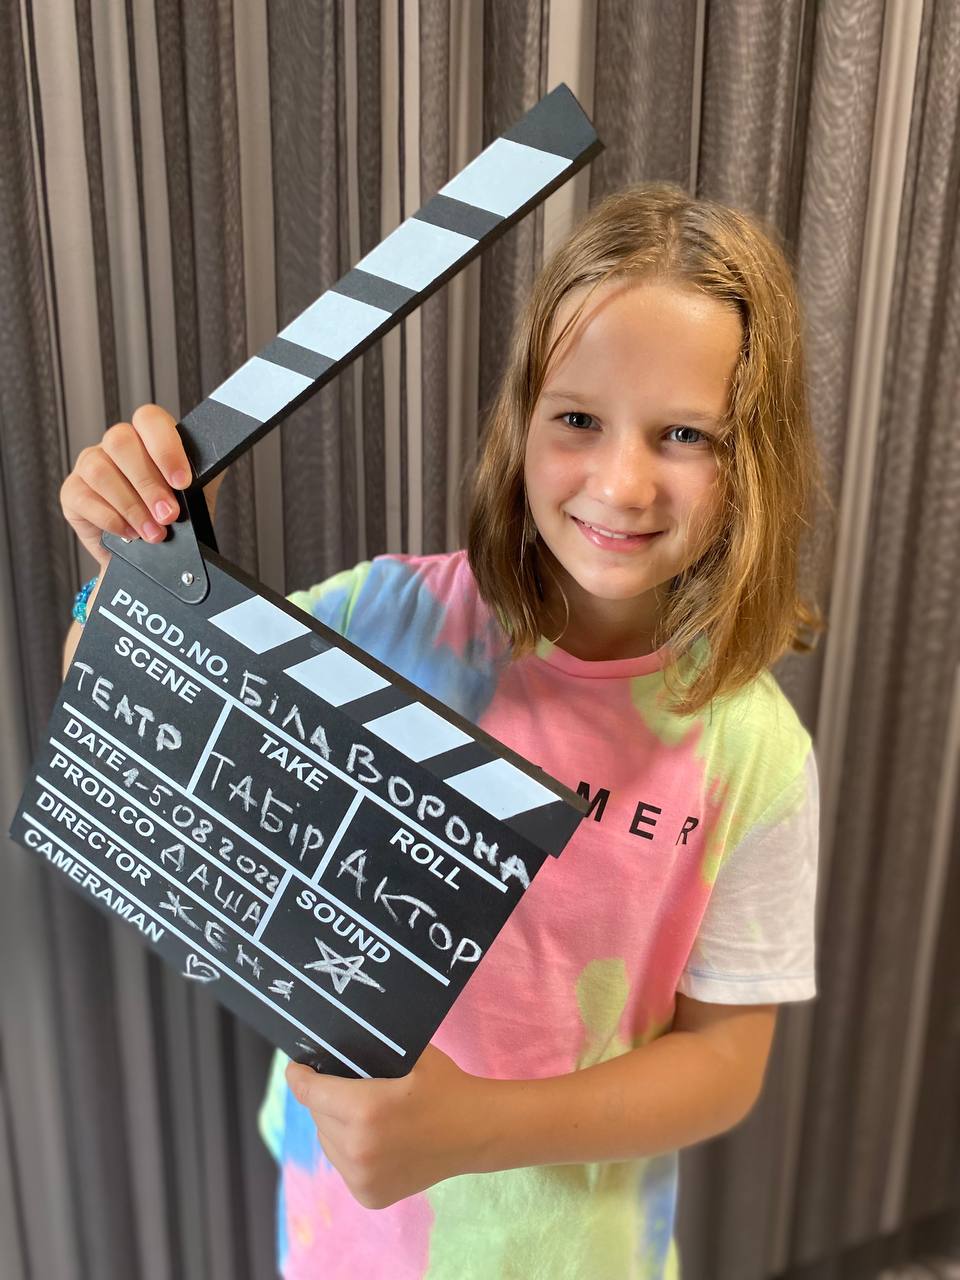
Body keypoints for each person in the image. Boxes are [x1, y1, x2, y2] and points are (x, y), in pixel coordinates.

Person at [60, 182, 824, 1279]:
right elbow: (127, 714)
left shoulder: (753, 752)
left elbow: (726, 1064)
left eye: (685, 434)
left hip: (576, 1253)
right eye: (578, 419)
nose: (621, 482)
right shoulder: (386, 618)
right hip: (342, 1230)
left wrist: (474, 1129)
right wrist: (128, 562)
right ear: (522, 422)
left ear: (753, 455)